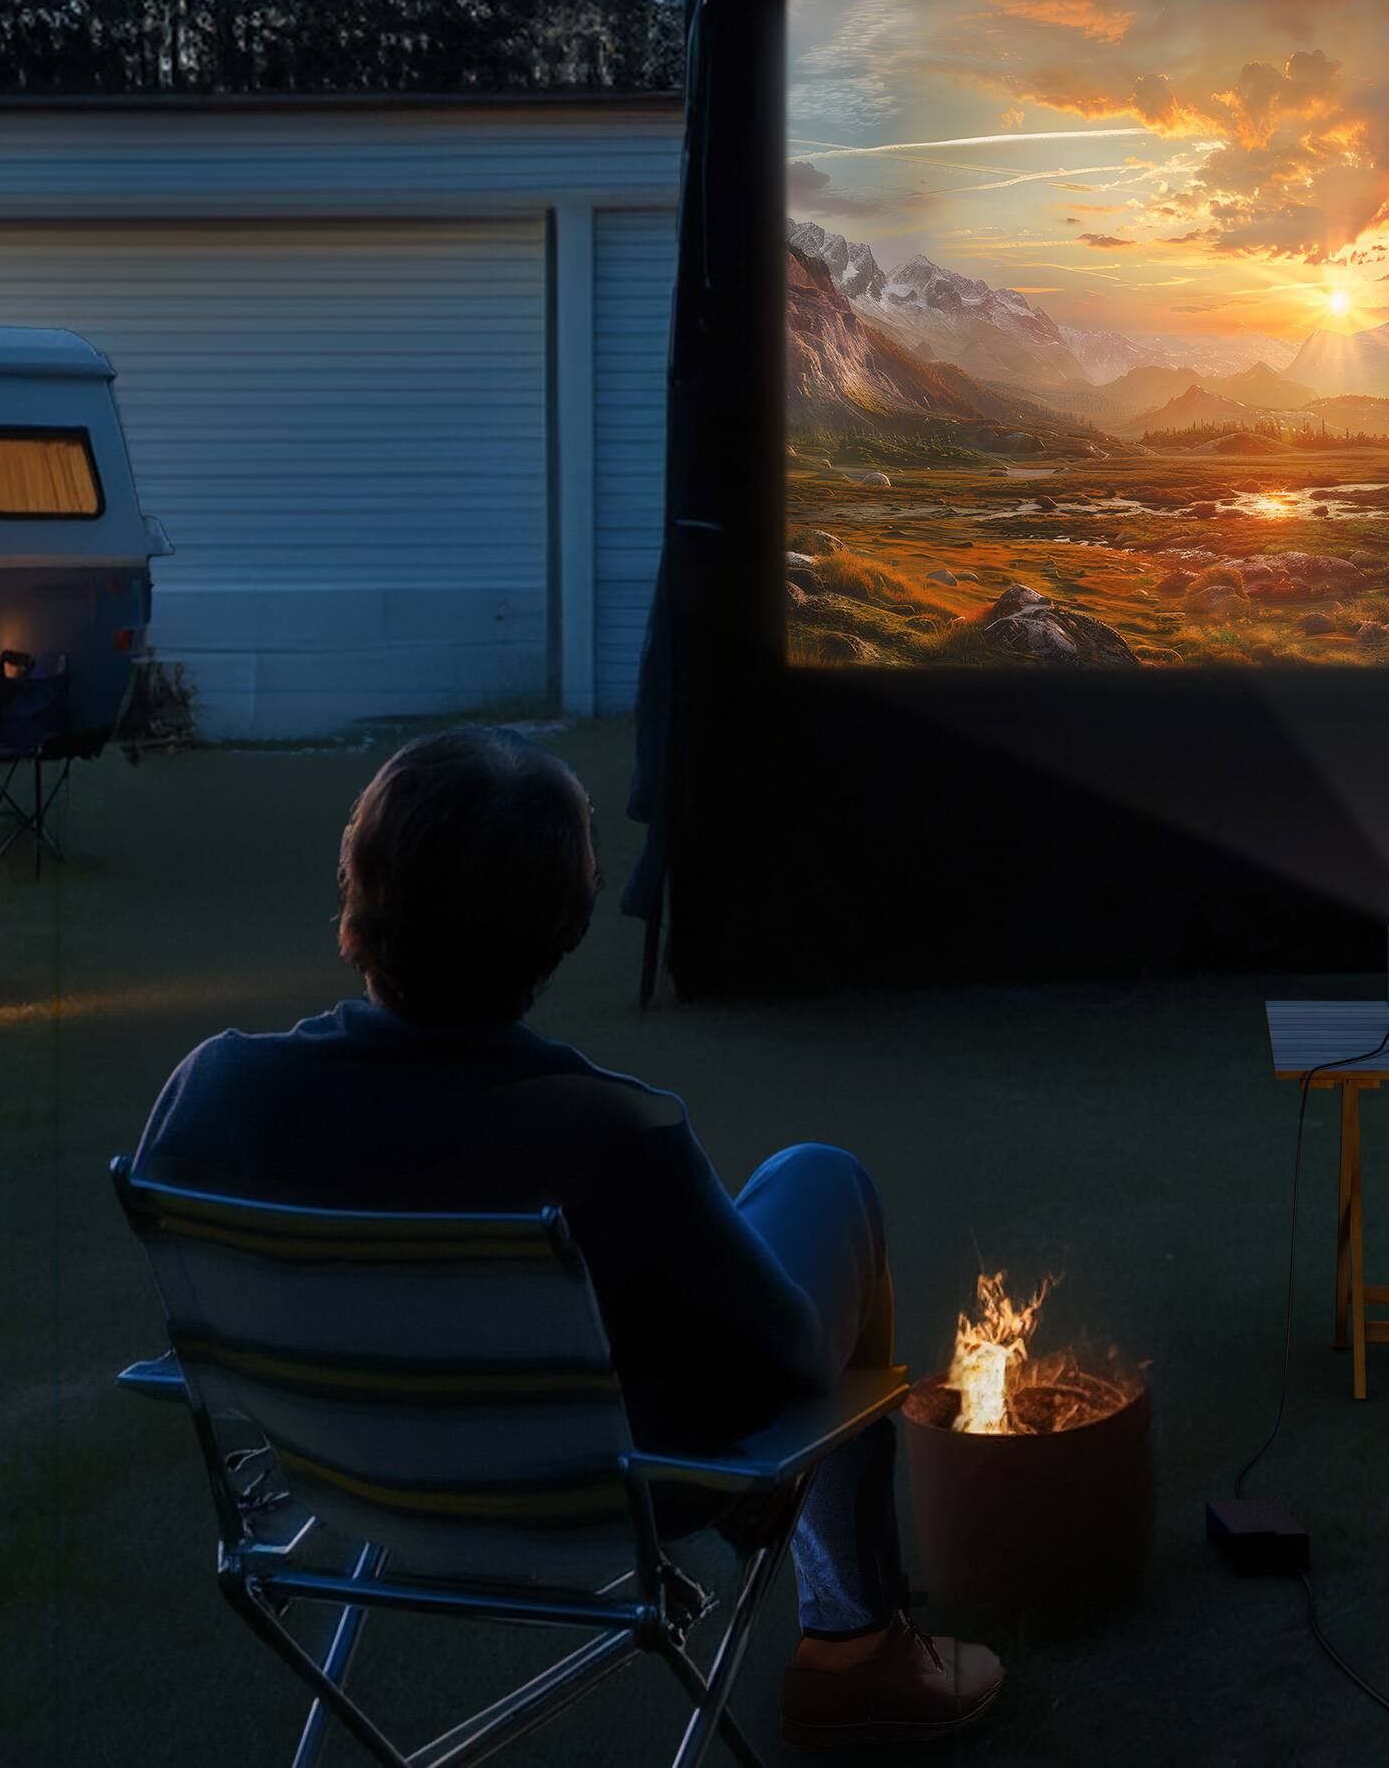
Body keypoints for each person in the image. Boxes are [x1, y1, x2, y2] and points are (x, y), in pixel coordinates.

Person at [134, 726, 1003, 1750]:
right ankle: (856, 1649)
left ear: (359, 883)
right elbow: (781, 1353)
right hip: (601, 1493)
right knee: (821, 1179)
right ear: (566, 918)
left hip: (349, 1471)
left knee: (746, 1218)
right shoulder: (609, 1134)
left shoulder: (210, 1093)